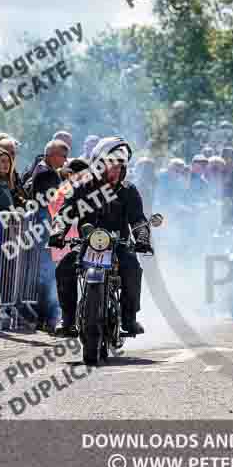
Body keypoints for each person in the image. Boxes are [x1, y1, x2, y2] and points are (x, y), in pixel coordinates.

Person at [50, 136, 152, 337]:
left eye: (119, 166)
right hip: (86, 245)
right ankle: (68, 318)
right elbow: (65, 212)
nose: (115, 170)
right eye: (110, 165)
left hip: (118, 245)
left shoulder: (128, 191)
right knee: (64, 267)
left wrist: (142, 239)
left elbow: (139, 220)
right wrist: (58, 232)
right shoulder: (82, 188)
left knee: (132, 267)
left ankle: (129, 317)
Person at [29, 139, 70, 332]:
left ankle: (46, 318)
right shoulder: (46, 173)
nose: (65, 160)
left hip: (46, 228)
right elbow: (52, 203)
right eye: (63, 156)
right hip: (45, 230)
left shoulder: (46, 171)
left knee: (47, 274)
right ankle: (47, 319)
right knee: (47, 275)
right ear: (53, 154)